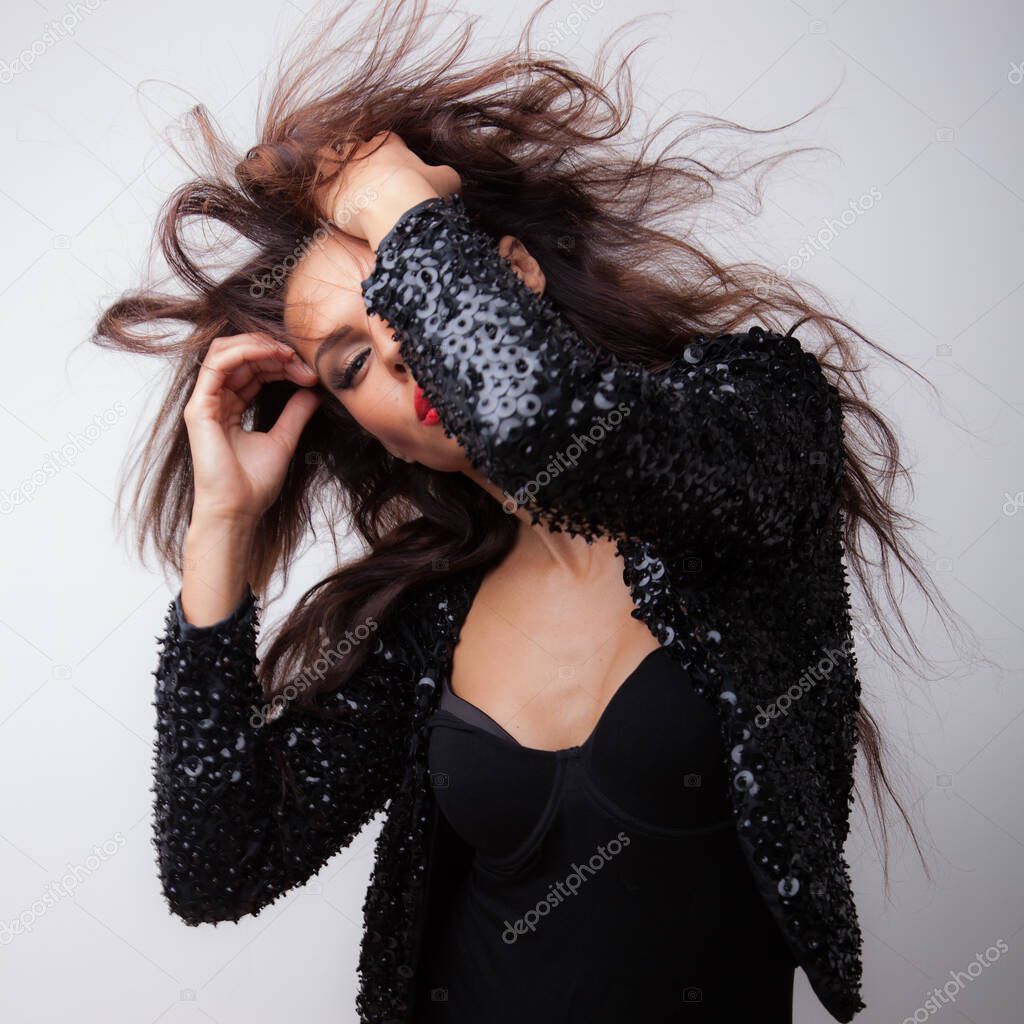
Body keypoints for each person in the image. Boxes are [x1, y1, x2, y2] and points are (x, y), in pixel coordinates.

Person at [96, 3, 967, 1020]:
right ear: (364, 426)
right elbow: (216, 867)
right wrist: (223, 530)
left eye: (405, 293)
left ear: (505, 275)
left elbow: (536, 417)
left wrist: (393, 202)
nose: (399, 350)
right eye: (350, 362)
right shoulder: (433, 617)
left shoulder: (754, 418)